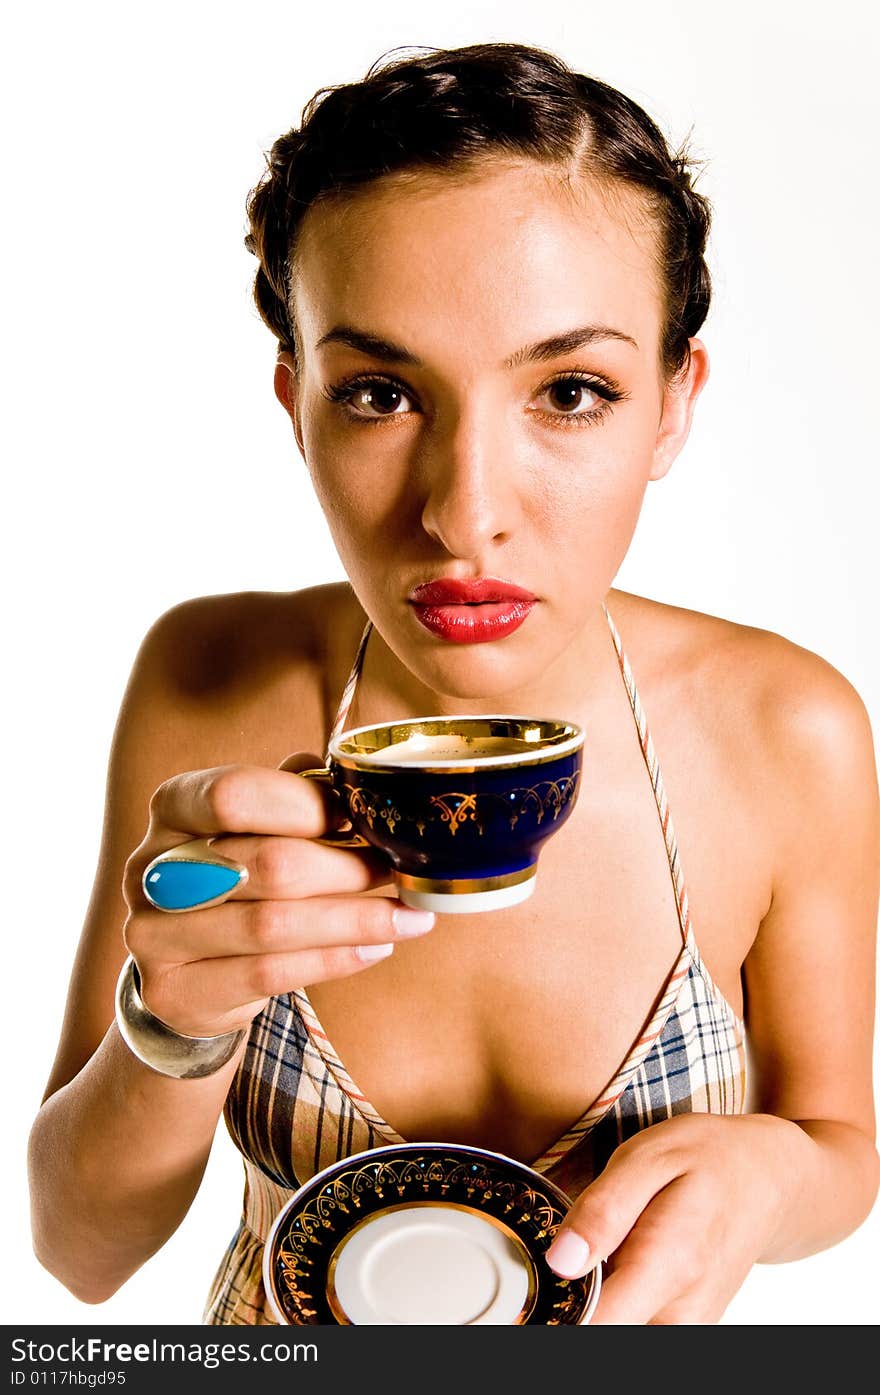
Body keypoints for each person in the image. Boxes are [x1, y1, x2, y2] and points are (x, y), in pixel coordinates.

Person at [27, 39, 879, 1326]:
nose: (464, 515)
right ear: (293, 402)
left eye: (571, 391)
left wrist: (770, 1171)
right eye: (378, 393)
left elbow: (838, 1148)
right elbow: (80, 1251)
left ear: (670, 407)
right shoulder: (210, 686)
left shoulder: (786, 728)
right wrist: (173, 1021)